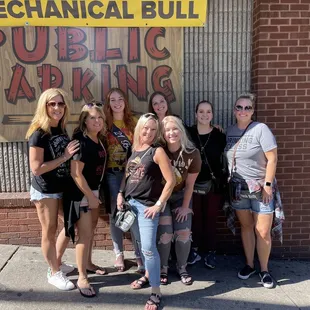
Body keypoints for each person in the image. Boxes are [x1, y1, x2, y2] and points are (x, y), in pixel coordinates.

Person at [117, 113, 175, 310]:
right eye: (145, 128)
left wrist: (159, 204)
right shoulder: (133, 150)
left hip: (147, 207)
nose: (148, 132)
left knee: (149, 249)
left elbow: (171, 181)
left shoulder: (156, 151)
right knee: (141, 245)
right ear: (139, 128)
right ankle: (148, 276)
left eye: (152, 129)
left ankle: (156, 291)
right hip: (130, 206)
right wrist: (120, 193)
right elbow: (127, 175)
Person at [26, 88, 79, 290]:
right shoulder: (39, 133)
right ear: (44, 106)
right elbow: (36, 168)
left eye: (60, 103)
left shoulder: (60, 128)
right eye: (52, 104)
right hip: (45, 189)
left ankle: (56, 262)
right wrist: (65, 157)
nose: (57, 107)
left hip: (62, 186)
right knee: (49, 231)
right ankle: (53, 272)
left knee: (69, 225)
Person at [225, 93, 278, 289]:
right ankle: (250, 264)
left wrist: (268, 185)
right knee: (246, 227)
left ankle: (264, 270)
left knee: (263, 231)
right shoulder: (229, 131)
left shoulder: (261, 129)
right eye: (239, 107)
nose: (243, 111)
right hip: (238, 187)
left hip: (260, 187)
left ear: (253, 111)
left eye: (247, 108)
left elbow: (272, 158)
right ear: (234, 110)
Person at [63, 102, 107, 297]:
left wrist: (94, 196)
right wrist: (90, 196)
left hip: (94, 192)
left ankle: (88, 263)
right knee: (85, 235)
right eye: (92, 118)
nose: (97, 121)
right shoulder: (80, 141)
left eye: (100, 117)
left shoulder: (98, 139)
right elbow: (76, 174)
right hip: (82, 194)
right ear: (84, 121)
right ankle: (82, 277)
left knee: (92, 231)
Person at [157, 116, 201, 286]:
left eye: (174, 129)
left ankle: (182, 267)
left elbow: (190, 184)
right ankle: (163, 268)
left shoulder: (192, 153)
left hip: (182, 195)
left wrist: (185, 207)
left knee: (183, 232)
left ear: (181, 130)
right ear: (163, 133)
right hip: (163, 197)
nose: (171, 133)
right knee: (166, 233)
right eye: (167, 130)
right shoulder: (159, 150)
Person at [103, 88, 143, 273]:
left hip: (132, 174)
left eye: (120, 99)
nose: (117, 102)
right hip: (112, 174)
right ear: (108, 103)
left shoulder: (134, 122)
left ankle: (138, 253)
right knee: (115, 214)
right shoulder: (104, 123)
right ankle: (118, 252)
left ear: (126, 101)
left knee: (133, 213)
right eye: (113, 99)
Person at [187, 100, 227, 269]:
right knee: (194, 217)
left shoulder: (219, 136)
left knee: (211, 218)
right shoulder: (188, 133)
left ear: (212, 114)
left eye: (208, 111)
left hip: (213, 183)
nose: (204, 115)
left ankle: (211, 252)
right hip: (192, 183)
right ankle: (194, 250)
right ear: (195, 114)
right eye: (201, 111)